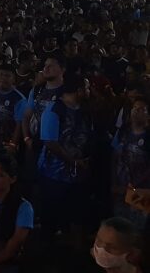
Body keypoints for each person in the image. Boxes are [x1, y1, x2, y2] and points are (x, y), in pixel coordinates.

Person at [38, 75, 94, 242]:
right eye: (86, 88)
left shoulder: (84, 109)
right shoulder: (55, 108)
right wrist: (73, 161)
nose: (89, 91)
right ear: (78, 90)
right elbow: (50, 142)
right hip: (53, 173)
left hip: (77, 174)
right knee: (51, 215)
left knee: (76, 215)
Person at [112, 96, 150, 228]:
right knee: (120, 226)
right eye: (134, 108)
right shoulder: (123, 132)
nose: (136, 111)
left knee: (137, 229)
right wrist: (114, 182)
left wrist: (135, 187)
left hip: (142, 192)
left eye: (141, 109)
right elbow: (115, 157)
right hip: (121, 189)